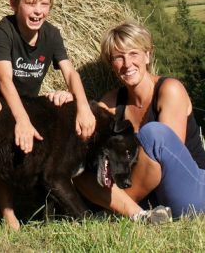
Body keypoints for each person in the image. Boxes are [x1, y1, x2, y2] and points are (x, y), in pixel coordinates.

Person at [0, 0, 96, 229]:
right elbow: (4, 81)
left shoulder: (51, 35)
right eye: (31, 3)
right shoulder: (3, 32)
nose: (38, 11)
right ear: (14, 4)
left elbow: (70, 72)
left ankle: (46, 199)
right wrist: (22, 120)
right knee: (0, 139)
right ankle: (8, 213)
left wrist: (83, 107)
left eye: (44, 4)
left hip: (26, 100)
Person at [74, 21, 205, 223]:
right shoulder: (111, 102)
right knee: (76, 163)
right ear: (111, 64)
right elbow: (84, 130)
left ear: (148, 55)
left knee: (155, 135)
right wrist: (67, 101)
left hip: (189, 191)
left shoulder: (170, 90)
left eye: (133, 53)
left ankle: (116, 212)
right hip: (145, 199)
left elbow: (167, 161)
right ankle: (139, 215)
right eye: (119, 57)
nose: (127, 64)